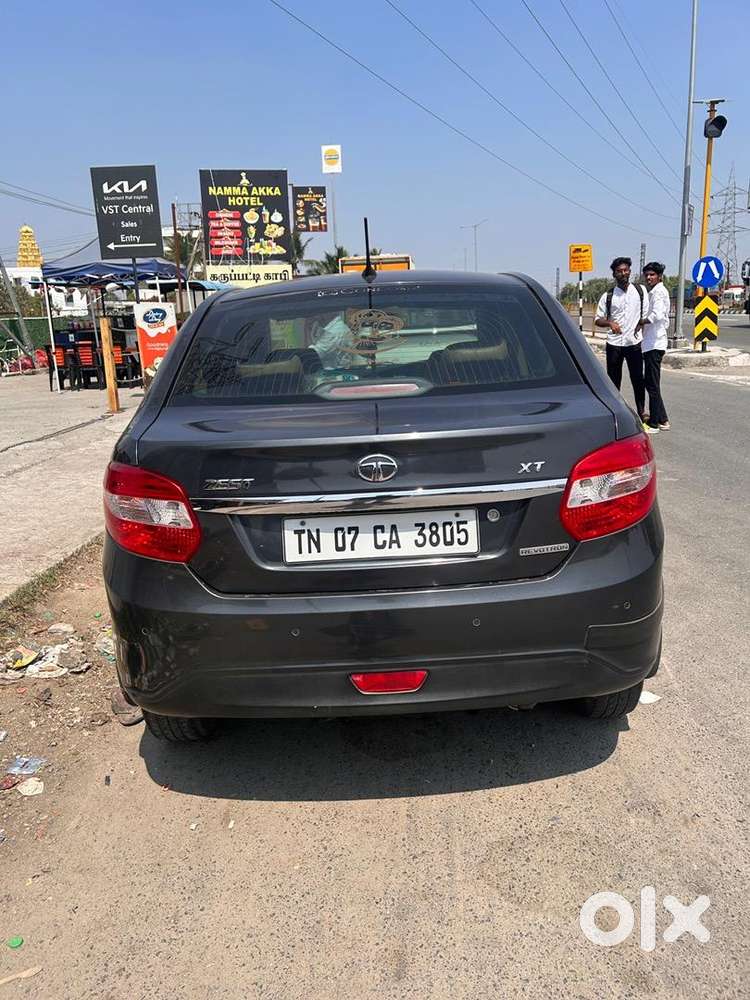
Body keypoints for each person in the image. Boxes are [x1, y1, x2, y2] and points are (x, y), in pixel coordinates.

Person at [595, 257, 648, 427]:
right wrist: (610, 323)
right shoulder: (608, 296)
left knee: (638, 379)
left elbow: (645, 315)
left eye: (625, 270)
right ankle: (614, 413)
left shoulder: (640, 291)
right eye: (619, 271)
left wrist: (641, 325)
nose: (623, 273)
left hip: (634, 343)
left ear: (630, 272)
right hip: (614, 344)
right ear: (614, 274)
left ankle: (642, 411)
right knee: (613, 381)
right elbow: (598, 319)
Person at [641, 261, 670, 431]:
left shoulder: (659, 292)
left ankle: (653, 424)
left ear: (659, 276)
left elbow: (657, 315)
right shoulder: (654, 291)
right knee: (652, 383)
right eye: (647, 275)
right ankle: (663, 419)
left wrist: (640, 322)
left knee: (652, 385)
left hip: (655, 343)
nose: (649, 278)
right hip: (651, 342)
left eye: (652, 275)